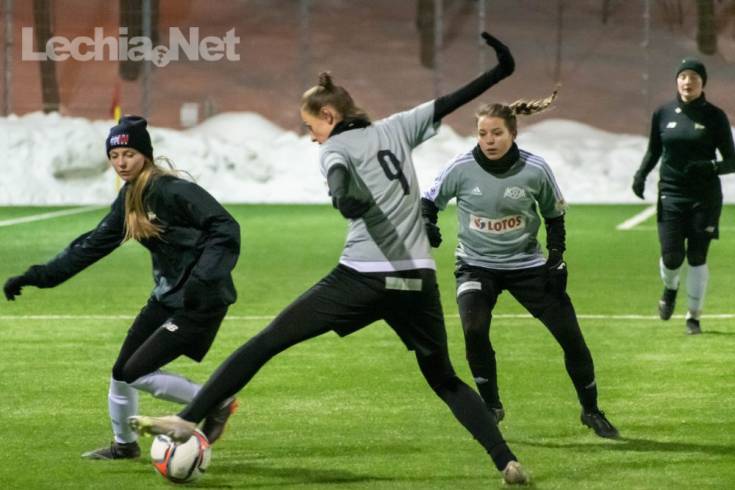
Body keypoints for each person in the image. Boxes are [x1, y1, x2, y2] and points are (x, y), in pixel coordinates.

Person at [129, 33, 530, 485]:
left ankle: (188, 418)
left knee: (266, 342)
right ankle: (506, 461)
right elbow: (454, 100)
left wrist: (343, 197)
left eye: (311, 127)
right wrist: (501, 71)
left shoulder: (335, 148)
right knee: (444, 379)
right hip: (417, 280)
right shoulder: (399, 126)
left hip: (362, 278)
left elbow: (338, 175)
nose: (313, 138)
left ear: (329, 116)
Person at [3, 116, 241, 459]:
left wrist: (203, 279)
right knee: (122, 371)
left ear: (145, 154)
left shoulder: (171, 190)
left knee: (135, 371)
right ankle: (124, 445)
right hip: (167, 297)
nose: (121, 162)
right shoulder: (130, 196)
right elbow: (90, 246)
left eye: (129, 154)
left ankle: (216, 399)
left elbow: (226, 227)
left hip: (200, 300)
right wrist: (37, 276)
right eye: (114, 156)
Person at [421, 94, 619, 439]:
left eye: (496, 133)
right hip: (475, 266)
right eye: (483, 134)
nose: (489, 140)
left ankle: (591, 410)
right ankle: (491, 407)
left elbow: (554, 216)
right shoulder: (460, 168)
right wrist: (427, 223)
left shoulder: (535, 169)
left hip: (527, 266)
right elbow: (428, 201)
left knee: (572, 339)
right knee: (474, 330)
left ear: (513, 133)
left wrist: (556, 255)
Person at [632, 58, 735, 335]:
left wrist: (710, 166)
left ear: (703, 83)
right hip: (671, 194)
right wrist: (641, 174)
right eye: (683, 76)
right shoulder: (663, 113)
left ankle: (694, 317)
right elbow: (654, 150)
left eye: (694, 78)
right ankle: (670, 288)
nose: (688, 82)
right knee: (672, 257)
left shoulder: (715, 116)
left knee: (697, 256)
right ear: (677, 80)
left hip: (705, 197)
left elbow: (732, 161)